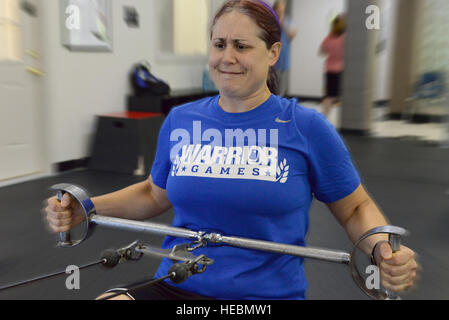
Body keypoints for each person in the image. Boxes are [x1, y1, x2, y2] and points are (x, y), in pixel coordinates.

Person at [44, 0, 418, 300]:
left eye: (242, 46)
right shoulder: (181, 120)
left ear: (273, 53)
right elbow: (153, 194)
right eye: (219, 44)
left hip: (261, 299)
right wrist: (87, 208)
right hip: (178, 285)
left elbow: (354, 207)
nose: (227, 57)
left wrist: (383, 250)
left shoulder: (305, 127)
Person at [320, 15, 346, 118]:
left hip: (329, 69)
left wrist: (330, 52)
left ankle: (324, 117)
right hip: (341, 69)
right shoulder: (345, 38)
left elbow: (321, 51)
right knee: (341, 95)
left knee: (328, 96)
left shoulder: (328, 38)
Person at [273, 0, 297, 97]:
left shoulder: (287, 21)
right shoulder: (271, 21)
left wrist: (282, 22)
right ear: (275, 10)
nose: (280, 12)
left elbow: (292, 35)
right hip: (272, 64)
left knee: (282, 92)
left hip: (285, 63)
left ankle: (280, 110)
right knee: (273, 90)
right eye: (278, 10)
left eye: (282, 10)